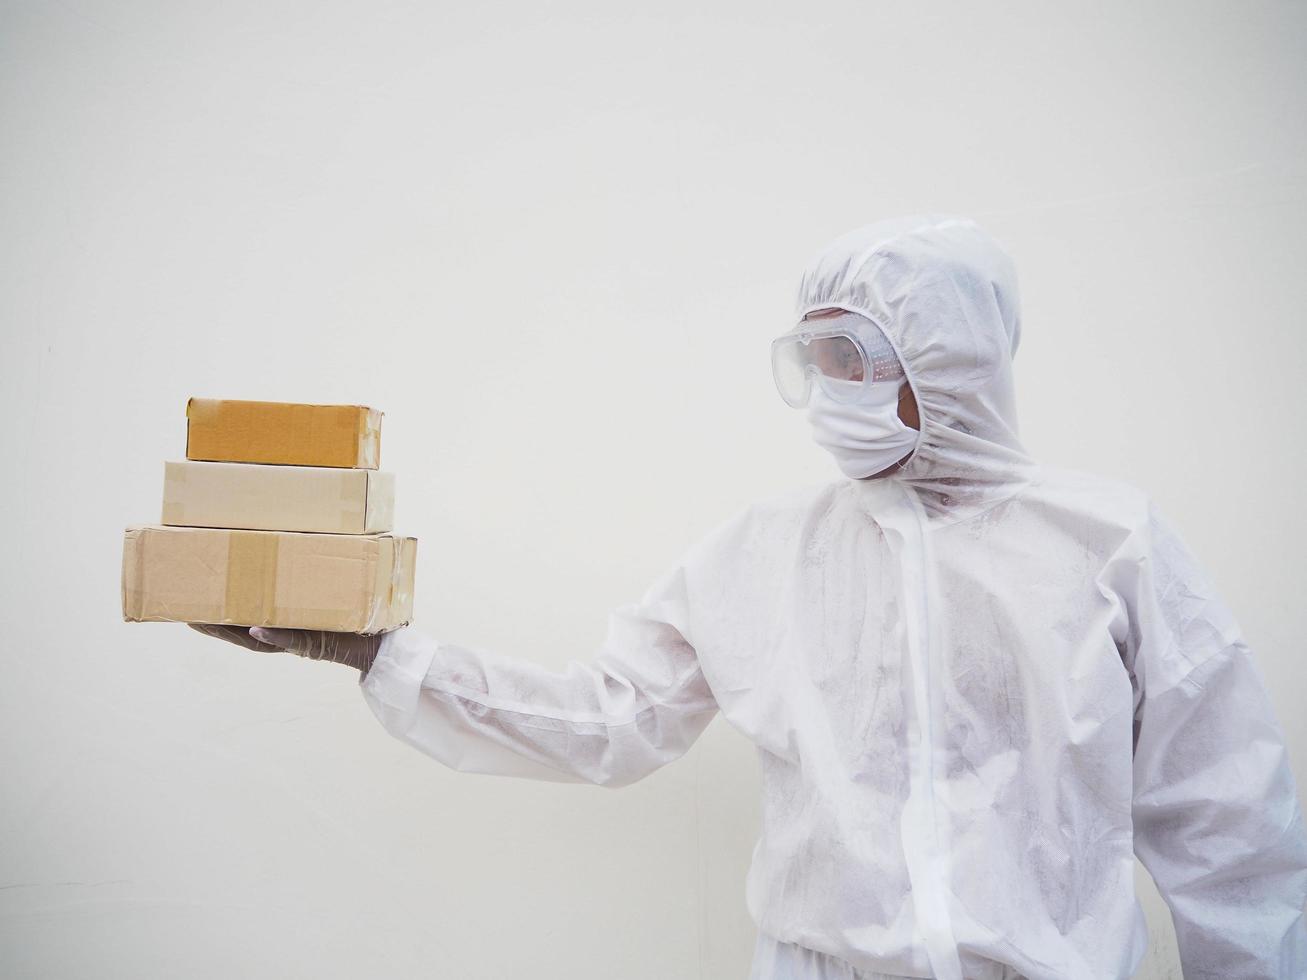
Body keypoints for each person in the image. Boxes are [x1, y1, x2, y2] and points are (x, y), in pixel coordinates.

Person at [194, 215, 1307, 979]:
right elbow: (607, 720)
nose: (828, 393)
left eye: (853, 356)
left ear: (951, 357)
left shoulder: (1106, 543)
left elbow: (1227, 825)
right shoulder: (765, 553)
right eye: (811, 358)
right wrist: (378, 653)